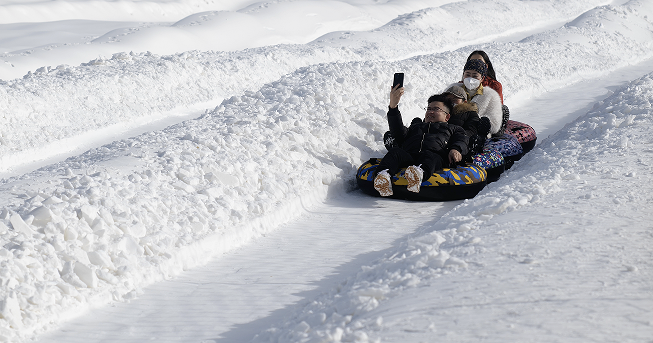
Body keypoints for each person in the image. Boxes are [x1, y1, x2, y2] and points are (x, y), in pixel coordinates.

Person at [373, 86, 468, 197]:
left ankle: (417, 175)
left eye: (436, 109)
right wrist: (393, 107)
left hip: (434, 157)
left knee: (430, 156)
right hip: (410, 155)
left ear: (447, 117)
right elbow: (398, 132)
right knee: (395, 152)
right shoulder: (415, 127)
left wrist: (456, 149)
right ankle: (383, 177)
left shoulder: (453, 129)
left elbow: (462, 140)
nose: (430, 112)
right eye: (428, 109)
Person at [449, 59, 503, 136]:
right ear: (463, 75)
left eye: (475, 76)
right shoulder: (453, 88)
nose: (470, 79)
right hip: (450, 129)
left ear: (482, 78)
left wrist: (481, 122)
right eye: (467, 75)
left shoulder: (491, 95)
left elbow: (495, 125)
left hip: (476, 134)